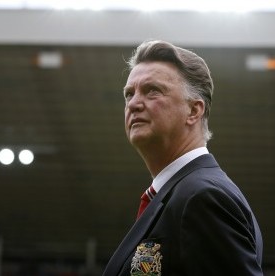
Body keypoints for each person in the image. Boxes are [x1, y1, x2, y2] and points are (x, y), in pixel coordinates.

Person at [103, 40, 263, 275]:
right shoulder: (184, 193)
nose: (134, 103)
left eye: (152, 91)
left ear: (194, 110)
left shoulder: (204, 198)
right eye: (129, 94)